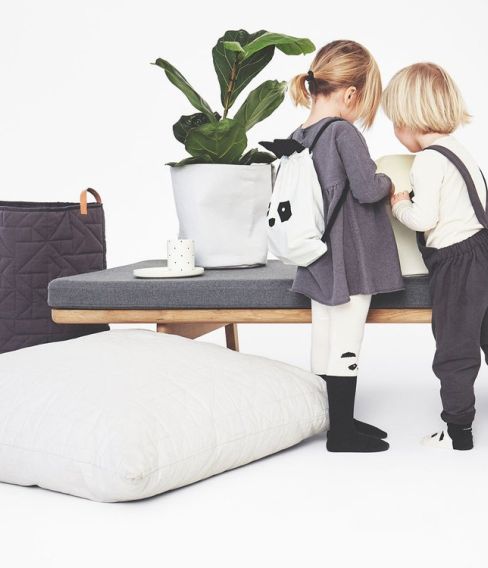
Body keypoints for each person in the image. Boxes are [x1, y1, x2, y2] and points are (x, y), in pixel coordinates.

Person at [288, 40, 404, 452]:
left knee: (324, 335)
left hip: (315, 255)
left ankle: (336, 419)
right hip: (349, 257)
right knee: (347, 339)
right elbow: (367, 189)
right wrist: (390, 182)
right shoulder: (342, 133)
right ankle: (341, 434)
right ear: (351, 94)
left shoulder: (299, 135)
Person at [383, 62, 487, 450]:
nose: (395, 131)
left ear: (409, 120)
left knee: (454, 348)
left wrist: (399, 203)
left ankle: (458, 431)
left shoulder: (427, 160)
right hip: (482, 249)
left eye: (395, 122)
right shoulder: (459, 150)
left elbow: (424, 219)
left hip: (457, 263)